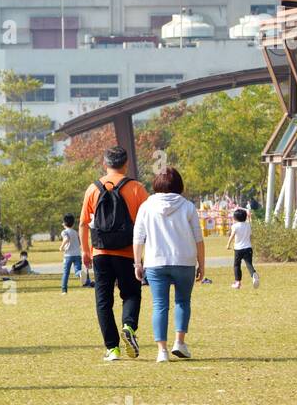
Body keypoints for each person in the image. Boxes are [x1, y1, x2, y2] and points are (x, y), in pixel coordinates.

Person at [79, 146, 150, 361]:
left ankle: (113, 349)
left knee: (103, 300)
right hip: (128, 252)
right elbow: (147, 221)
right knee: (130, 293)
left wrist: (85, 250)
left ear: (105, 163)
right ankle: (129, 325)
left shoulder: (93, 189)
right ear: (126, 164)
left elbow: (83, 223)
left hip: (100, 251)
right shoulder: (136, 188)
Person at [133, 167, 206, 362]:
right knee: (182, 301)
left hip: (156, 262)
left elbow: (139, 237)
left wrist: (137, 263)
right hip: (184, 261)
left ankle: (162, 351)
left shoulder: (146, 206)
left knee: (159, 305)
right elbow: (198, 239)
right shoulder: (188, 206)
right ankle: (179, 342)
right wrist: (202, 264)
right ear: (178, 185)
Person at [227, 207, 258, 289]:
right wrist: (249, 216)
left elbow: (232, 235)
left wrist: (228, 244)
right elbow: (250, 222)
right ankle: (253, 274)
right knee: (249, 264)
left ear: (235, 218)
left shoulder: (235, 226)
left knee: (237, 265)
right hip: (248, 248)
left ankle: (237, 283)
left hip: (238, 249)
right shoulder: (248, 225)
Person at [60, 213, 81, 293]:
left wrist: (61, 247)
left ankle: (64, 290)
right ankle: (80, 274)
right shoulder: (75, 232)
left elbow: (66, 239)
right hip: (77, 254)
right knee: (77, 270)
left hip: (68, 255)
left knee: (66, 273)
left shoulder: (64, 232)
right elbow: (79, 243)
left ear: (64, 223)